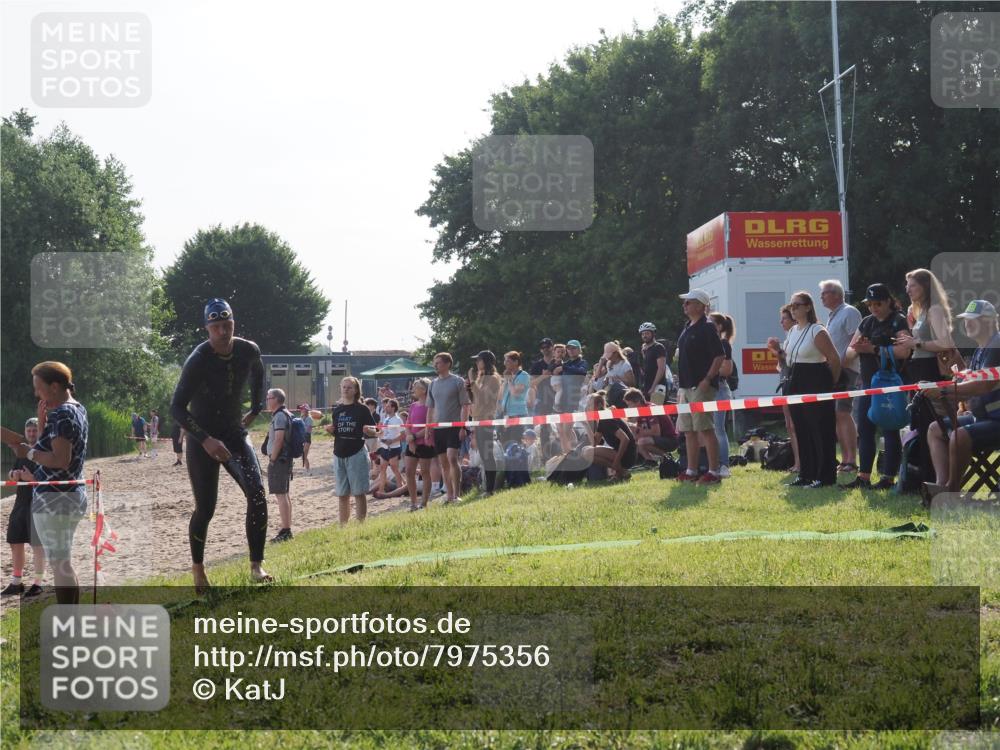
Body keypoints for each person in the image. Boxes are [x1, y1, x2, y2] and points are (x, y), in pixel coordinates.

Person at [170, 298, 272, 591]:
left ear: (233, 325)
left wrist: (255, 408)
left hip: (233, 432)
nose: (223, 332)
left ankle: (256, 566)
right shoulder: (198, 359)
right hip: (203, 437)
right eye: (216, 328)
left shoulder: (248, 349)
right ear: (207, 329)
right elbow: (176, 408)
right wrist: (205, 439)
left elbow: (258, 373)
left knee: (257, 493)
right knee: (206, 508)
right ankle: (199, 573)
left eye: (227, 326)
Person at [10, 362, 89, 604]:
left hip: (56, 498)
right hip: (71, 494)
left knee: (60, 564)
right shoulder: (77, 409)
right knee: (63, 562)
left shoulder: (62, 413)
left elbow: (60, 459)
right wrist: (43, 425)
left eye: (39, 388)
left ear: (54, 387)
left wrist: (28, 453)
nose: (37, 394)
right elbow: (54, 447)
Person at [922, 300, 1000, 499]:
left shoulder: (996, 346)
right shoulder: (982, 348)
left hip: (995, 420)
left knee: (959, 435)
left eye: (974, 320)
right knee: (935, 429)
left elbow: (984, 386)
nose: (968, 324)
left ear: (990, 322)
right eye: (966, 320)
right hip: (983, 417)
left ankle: (951, 491)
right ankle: (940, 487)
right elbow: (975, 381)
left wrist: (944, 391)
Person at [843, 284, 911, 490]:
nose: (874, 308)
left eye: (878, 303)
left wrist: (872, 348)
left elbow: (904, 352)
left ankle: (888, 478)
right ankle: (863, 477)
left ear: (889, 301)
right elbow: (848, 355)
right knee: (864, 430)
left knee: (890, 429)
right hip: (867, 384)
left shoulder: (898, 320)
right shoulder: (866, 322)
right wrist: (857, 347)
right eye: (870, 304)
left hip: (890, 384)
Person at [783, 291, 842, 488]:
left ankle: (824, 476)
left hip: (815, 380)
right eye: (791, 306)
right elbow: (788, 359)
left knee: (820, 429)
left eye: (797, 305)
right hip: (795, 379)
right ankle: (806, 474)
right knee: (801, 428)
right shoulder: (792, 331)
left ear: (808, 307)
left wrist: (829, 384)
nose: (793, 309)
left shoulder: (817, 330)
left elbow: (834, 359)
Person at [675, 289, 725, 484]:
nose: (684, 305)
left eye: (688, 302)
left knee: (705, 429)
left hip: (700, 386)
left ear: (700, 306)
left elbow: (719, 355)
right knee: (688, 430)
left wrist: (707, 378)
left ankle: (713, 471)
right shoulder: (688, 326)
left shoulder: (707, 327)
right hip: (686, 387)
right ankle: (691, 470)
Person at [819, 279, 862, 476]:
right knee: (837, 414)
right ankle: (845, 458)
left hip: (847, 369)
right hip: (834, 370)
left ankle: (852, 460)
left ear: (837, 294)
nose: (822, 296)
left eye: (825, 292)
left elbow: (857, 341)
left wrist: (843, 361)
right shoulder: (832, 316)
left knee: (844, 413)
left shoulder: (849, 312)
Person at [2, 417, 46, 598]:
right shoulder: (21, 451)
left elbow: (50, 481)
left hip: (39, 502)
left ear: (39, 432)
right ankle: (16, 582)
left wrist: (32, 479)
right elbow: (11, 476)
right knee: (15, 541)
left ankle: (37, 583)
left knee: (37, 544)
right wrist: (13, 475)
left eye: (35, 430)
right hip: (20, 502)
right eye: (29, 431)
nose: (31, 433)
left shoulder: (44, 451)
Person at [326, 376, 379, 523]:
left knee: (358, 492)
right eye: (343, 387)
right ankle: (343, 526)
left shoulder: (362, 409)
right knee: (342, 494)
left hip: (357, 453)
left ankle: (360, 524)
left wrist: (370, 431)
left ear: (356, 390)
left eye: (349, 387)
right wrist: (331, 430)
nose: (346, 389)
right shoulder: (337, 410)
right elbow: (338, 431)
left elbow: (375, 430)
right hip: (338, 453)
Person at [895, 268, 957, 383]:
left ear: (926, 286)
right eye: (907, 286)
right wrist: (910, 341)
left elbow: (945, 343)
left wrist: (916, 343)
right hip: (919, 367)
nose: (908, 290)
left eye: (912, 286)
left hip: (930, 368)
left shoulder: (934, 310)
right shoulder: (921, 311)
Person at [425, 352, 471, 504]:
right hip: (438, 428)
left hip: (454, 426)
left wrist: (463, 427)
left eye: (438, 362)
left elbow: (465, 405)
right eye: (435, 362)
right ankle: (449, 495)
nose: (435, 365)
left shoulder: (458, 381)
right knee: (443, 462)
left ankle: (457, 494)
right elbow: (430, 409)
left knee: (452, 458)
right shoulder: (432, 384)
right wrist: (428, 428)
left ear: (447, 364)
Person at [767, 305, 801, 473]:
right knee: (789, 425)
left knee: (795, 425)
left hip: (794, 385)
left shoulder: (797, 336)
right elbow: (783, 363)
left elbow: (791, 360)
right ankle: (797, 462)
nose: (781, 322)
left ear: (794, 319)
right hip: (786, 384)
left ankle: (801, 462)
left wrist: (778, 350)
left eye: (784, 318)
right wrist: (777, 351)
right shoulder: (789, 337)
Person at [467, 351, 503, 496]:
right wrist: (469, 387)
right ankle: (487, 487)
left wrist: (471, 381)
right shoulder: (481, 377)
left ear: (486, 361)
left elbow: (483, 397)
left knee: (487, 455)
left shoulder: (493, 378)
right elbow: (475, 397)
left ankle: (490, 489)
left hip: (486, 419)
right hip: (478, 418)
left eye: (479, 360)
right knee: (483, 454)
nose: (476, 363)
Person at [708, 313, 738, 478]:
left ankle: (724, 465)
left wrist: (707, 370)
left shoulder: (724, 344)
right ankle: (711, 464)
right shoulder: (708, 344)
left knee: (718, 428)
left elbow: (726, 370)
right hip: (708, 389)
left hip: (719, 388)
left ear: (720, 327)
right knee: (708, 429)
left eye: (711, 322)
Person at [581, 392, 636, 481]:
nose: (587, 408)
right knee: (585, 451)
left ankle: (621, 471)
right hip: (622, 452)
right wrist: (586, 425)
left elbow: (625, 439)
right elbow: (594, 443)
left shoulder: (606, 418)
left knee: (587, 452)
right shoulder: (602, 419)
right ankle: (621, 472)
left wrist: (616, 461)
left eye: (589, 405)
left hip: (628, 455)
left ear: (598, 405)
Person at [264, 388, 294, 543]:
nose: (267, 400)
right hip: (284, 459)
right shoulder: (284, 414)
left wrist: (272, 459)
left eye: (269, 397)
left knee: (281, 495)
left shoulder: (280, 416)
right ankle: (286, 528)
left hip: (279, 460)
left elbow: (279, 439)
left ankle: (286, 530)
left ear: (276, 399)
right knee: (284, 494)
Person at [623, 387, 678, 465]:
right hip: (661, 439)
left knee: (641, 441)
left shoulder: (650, 409)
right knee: (635, 441)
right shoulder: (642, 410)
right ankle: (651, 461)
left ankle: (666, 457)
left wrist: (637, 430)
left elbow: (656, 432)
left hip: (670, 440)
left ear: (638, 401)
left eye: (629, 404)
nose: (628, 408)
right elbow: (640, 431)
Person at [403, 379, 435, 511]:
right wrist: (410, 439)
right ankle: (413, 503)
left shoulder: (430, 406)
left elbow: (430, 426)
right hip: (412, 442)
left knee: (425, 472)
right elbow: (408, 424)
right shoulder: (413, 405)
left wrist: (415, 436)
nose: (413, 389)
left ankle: (424, 502)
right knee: (409, 472)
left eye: (416, 387)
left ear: (424, 390)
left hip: (425, 442)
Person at [553, 340, 588, 452]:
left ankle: (576, 452)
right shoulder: (565, 364)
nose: (571, 350)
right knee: (561, 431)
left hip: (574, 400)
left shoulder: (582, 362)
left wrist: (563, 368)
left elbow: (582, 372)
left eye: (573, 348)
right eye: (569, 348)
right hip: (562, 401)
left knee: (567, 429)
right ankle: (568, 453)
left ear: (579, 350)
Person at [528, 338, 557, 458]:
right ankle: (546, 458)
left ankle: (561, 455)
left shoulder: (559, 362)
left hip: (559, 400)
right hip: (544, 401)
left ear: (552, 347)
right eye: (543, 347)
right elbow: (531, 383)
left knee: (561, 429)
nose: (545, 349)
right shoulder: (537, 365)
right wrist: (544, 376)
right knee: (544, 430)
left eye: (548, 346)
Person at [498, 351, 531, 444]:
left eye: (507, 361)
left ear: (516, 362)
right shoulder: (510, 378)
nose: (505, 364)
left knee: (515, 442)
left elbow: (515, 393)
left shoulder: (523, 375)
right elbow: (500, 396)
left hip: (518, 414)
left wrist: (509, 381)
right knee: (505, 441)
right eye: (505, 361)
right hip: (507, 415)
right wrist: (505, 381)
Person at [376, 398, 405, 493]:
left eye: (388, 406)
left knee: (394, 467)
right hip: (384, 447)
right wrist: (378, 433)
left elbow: (403, 434)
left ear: (393, 408)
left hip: (394, 447)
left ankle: (400, 488)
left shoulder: (398, 420)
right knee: (382, 468)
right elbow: (382, 432)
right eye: (386, 406)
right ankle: (381, 490)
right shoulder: (386, 419)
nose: (385, 407)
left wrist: (392, 440)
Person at [638, 322, 669, 402]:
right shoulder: (644, 349)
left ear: (653, 334)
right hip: (646, 386)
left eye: (647, 333)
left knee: (657, 412)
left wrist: (653, 387)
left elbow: (661, 369)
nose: (644, 336)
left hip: (657, 386)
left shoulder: (658, 347)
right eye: (643, 334)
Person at [298, 403, 314, 472]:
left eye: (302, 409)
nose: (301, 410)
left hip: (307, 438)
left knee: (304, 455)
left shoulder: (309, 418)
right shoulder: (301, 418)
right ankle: (307, 469)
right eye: (301, 409)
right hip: (302, 438)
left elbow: (309, 430)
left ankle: (308, 470)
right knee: (303, 455)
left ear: (306, 410)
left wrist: (301, 428)